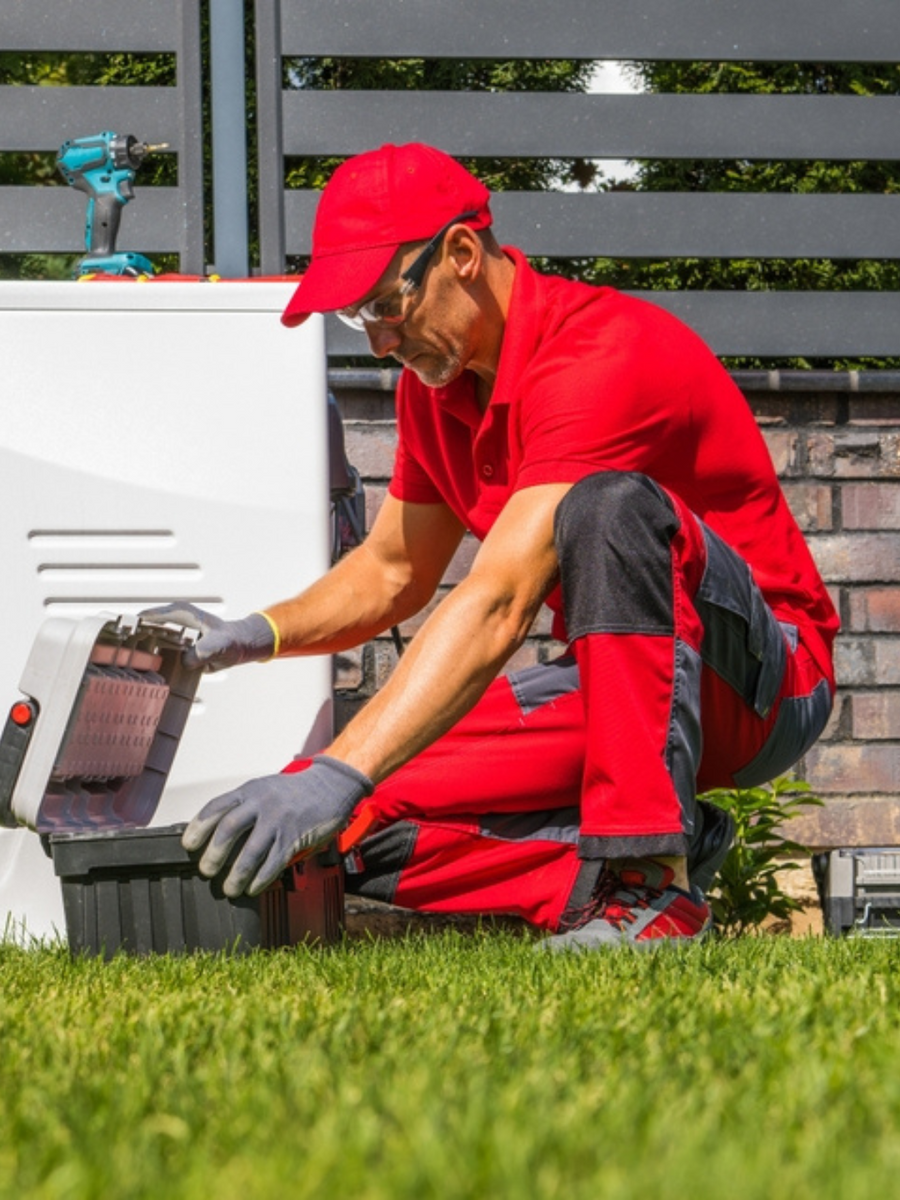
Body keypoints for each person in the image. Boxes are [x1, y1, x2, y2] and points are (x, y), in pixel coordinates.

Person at [147, 143, 837, 950]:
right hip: (621, 687)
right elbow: (391, 570)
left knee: (608, 507)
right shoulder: (433, 393)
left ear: (462, 255)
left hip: (763, 680)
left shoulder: (600, 354)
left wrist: (343, 766)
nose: (376, 343)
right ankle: (633, 865)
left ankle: (650, 886)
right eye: (355, 319)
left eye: (384, 307)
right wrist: (252, 635)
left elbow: (501, 597)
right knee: (344, 825)